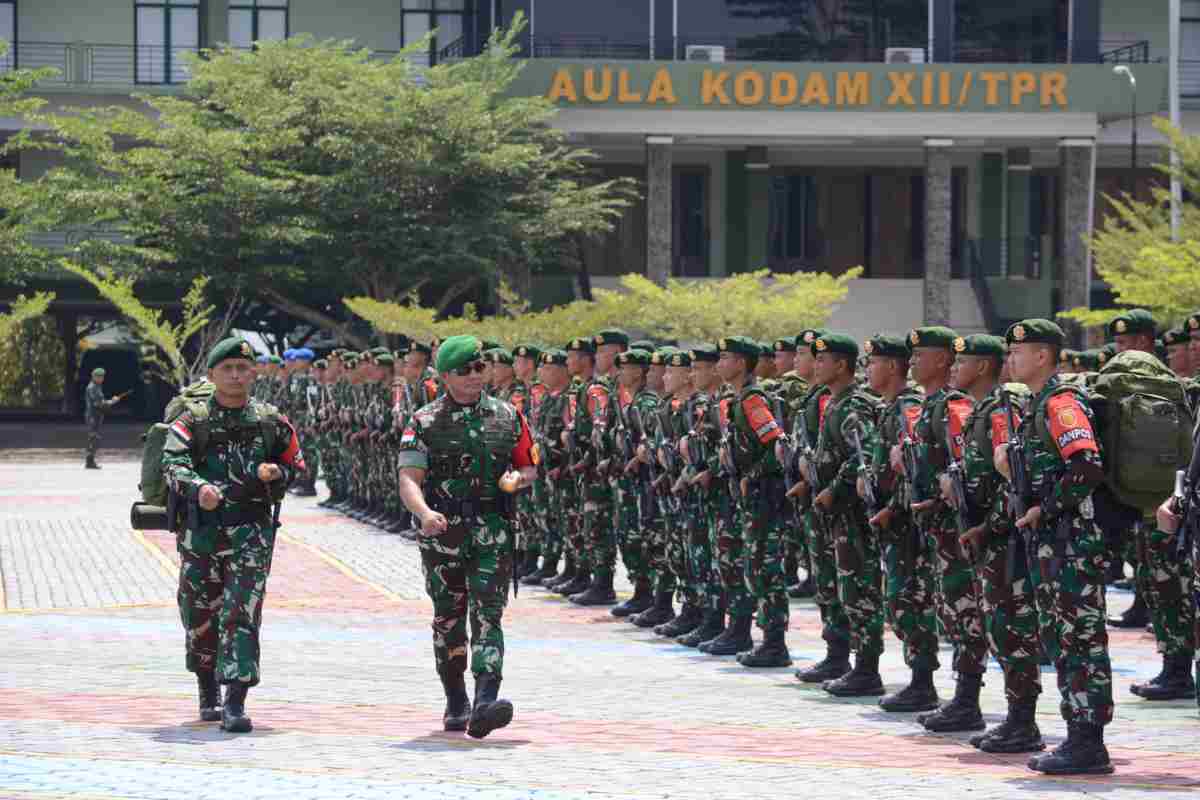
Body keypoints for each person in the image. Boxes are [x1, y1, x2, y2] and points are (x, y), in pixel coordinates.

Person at [162, 337, 305, 733]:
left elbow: (297, 462)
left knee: (242, 611)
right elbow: (171, 463)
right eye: (228, 369)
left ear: (253, 373)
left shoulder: (269, 420)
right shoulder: (191, 420)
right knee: (199, 612)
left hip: (251, 532)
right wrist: (198, 487)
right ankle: (207, 686)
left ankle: (236, 700)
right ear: (212, 374)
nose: (236, 375)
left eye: (243, 368)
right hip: (201, 534)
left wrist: (278, 472)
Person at [396, 335, 537, 738]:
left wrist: (516, 480)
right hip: (443, 534)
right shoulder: (424, 421)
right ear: (445, 376)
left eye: (479, 368)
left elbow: (529, 466)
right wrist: (424, 513)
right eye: (464, 370)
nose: (475, 376)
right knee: (449, 618)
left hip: (492, 530)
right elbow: (409, 478)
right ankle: (456, 698)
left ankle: (485, 700)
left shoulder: (508, 416)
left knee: (489, 614)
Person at [997, 319, 1115, 775]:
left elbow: (1086, 465)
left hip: (1071, 544)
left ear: (1042, 356)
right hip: (1053, 545)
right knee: (1063, 639)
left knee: (1079, 639)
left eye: (1018, 352)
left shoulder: (1061, 403)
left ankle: (1088, 743)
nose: (1011, 359)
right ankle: (1078, 736)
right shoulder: (1037, 404)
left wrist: (1044, 509)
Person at [84, 367, 126, 469]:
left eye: (102, 376)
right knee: (94, 438)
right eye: (99, 376)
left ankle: (90, 461)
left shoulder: (97, 387)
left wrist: (111, 401)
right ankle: (89, 461)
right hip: (93, 416)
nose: (102, 378)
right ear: (94, 377)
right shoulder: (93, 388)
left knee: (94, 438)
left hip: (96, 416)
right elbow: (99, 404)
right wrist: (112, 401)